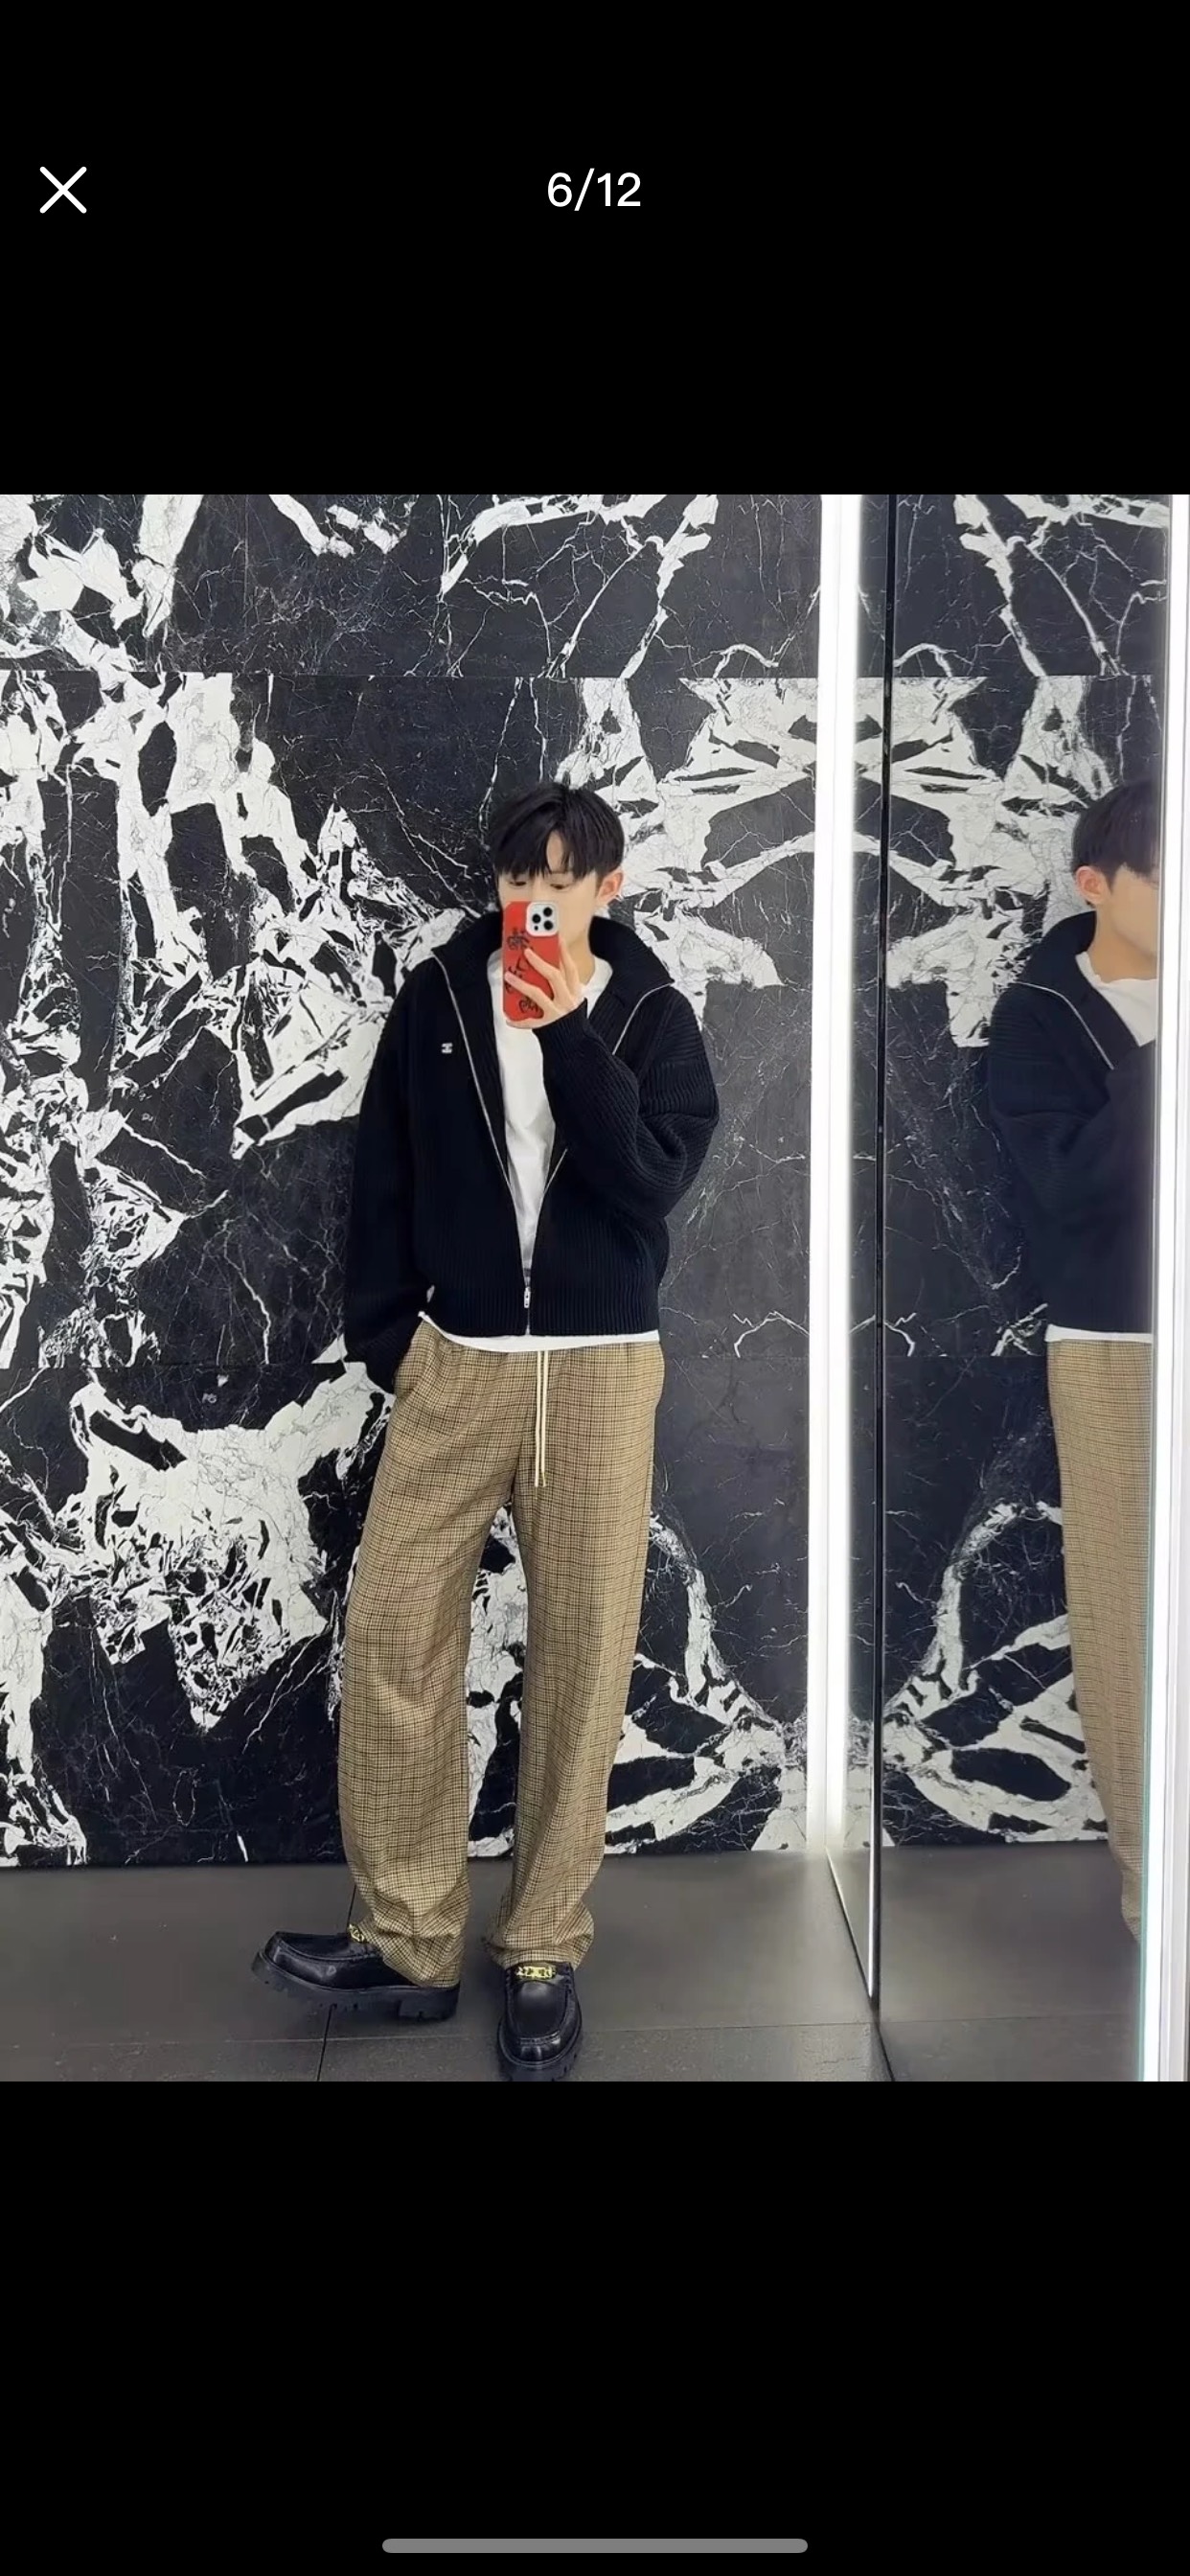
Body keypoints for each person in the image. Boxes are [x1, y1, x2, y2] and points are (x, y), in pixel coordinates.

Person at [254, 782, 720, 2076]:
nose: (538, 900)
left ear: (609, 888)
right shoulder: (439, 999)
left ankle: (543, 1947)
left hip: (600, 1372)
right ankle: (407, 1940)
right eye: (522, 878)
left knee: (582, 1657)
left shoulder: (650, 1014)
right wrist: (393, 1339)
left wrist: (568, 1029)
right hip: (456, 1365)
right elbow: (384, 1175)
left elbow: (648, 1183)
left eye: (564, 880)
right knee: (395, 1630)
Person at [986, 778, 1160, 1940]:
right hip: (1116, 1342)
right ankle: (1156, 1882)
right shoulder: (1042, 1017)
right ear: (1096, 885)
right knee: (1124, 1607)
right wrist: (1162, 1052)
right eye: (1163, 875)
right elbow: (1071, 1193)